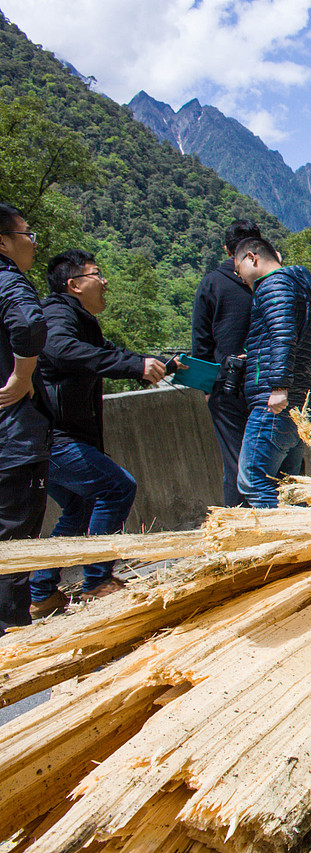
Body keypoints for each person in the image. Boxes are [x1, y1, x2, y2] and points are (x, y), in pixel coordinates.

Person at [32, 250, 168, 615]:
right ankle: (96, 581)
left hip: (55, 438)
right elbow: (61, 351)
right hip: (56, 438)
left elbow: (112, 353)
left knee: (79, 506)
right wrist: (135, 366)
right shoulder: (57, 314)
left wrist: (159, 365)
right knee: (117, 487)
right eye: (97, 274)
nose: (105, 282)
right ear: (74, 284)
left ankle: (41, 592)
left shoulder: (81, 320)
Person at [233, 236, 311, 508]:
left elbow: (283, 334)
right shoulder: (297, 287)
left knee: (254, 479)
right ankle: (307, 543)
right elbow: (291, 337)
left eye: (238, 270)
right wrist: (258, 355)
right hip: (300, 402)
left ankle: (287, 536)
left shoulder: (272, 285)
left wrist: (278, 387)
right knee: (289, 484)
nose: (241, 278)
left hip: (276, 404)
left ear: (252, 257)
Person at [0, 204, 51, 628]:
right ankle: (11, 630)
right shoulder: (9, 282)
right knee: (14, 538)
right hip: (13, 438)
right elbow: (30, 326)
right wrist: (22, 373)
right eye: (26, 234)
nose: (32, 243)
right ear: (3, 241)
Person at [191, 219, 261, 506]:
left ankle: (237, 525)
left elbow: (201, 341)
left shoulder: (211, 283)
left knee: (235, 460)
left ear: (226, 248)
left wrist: (208, 387)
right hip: (266, 379)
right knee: (275, 457)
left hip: (224, 384)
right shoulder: (270, 281)